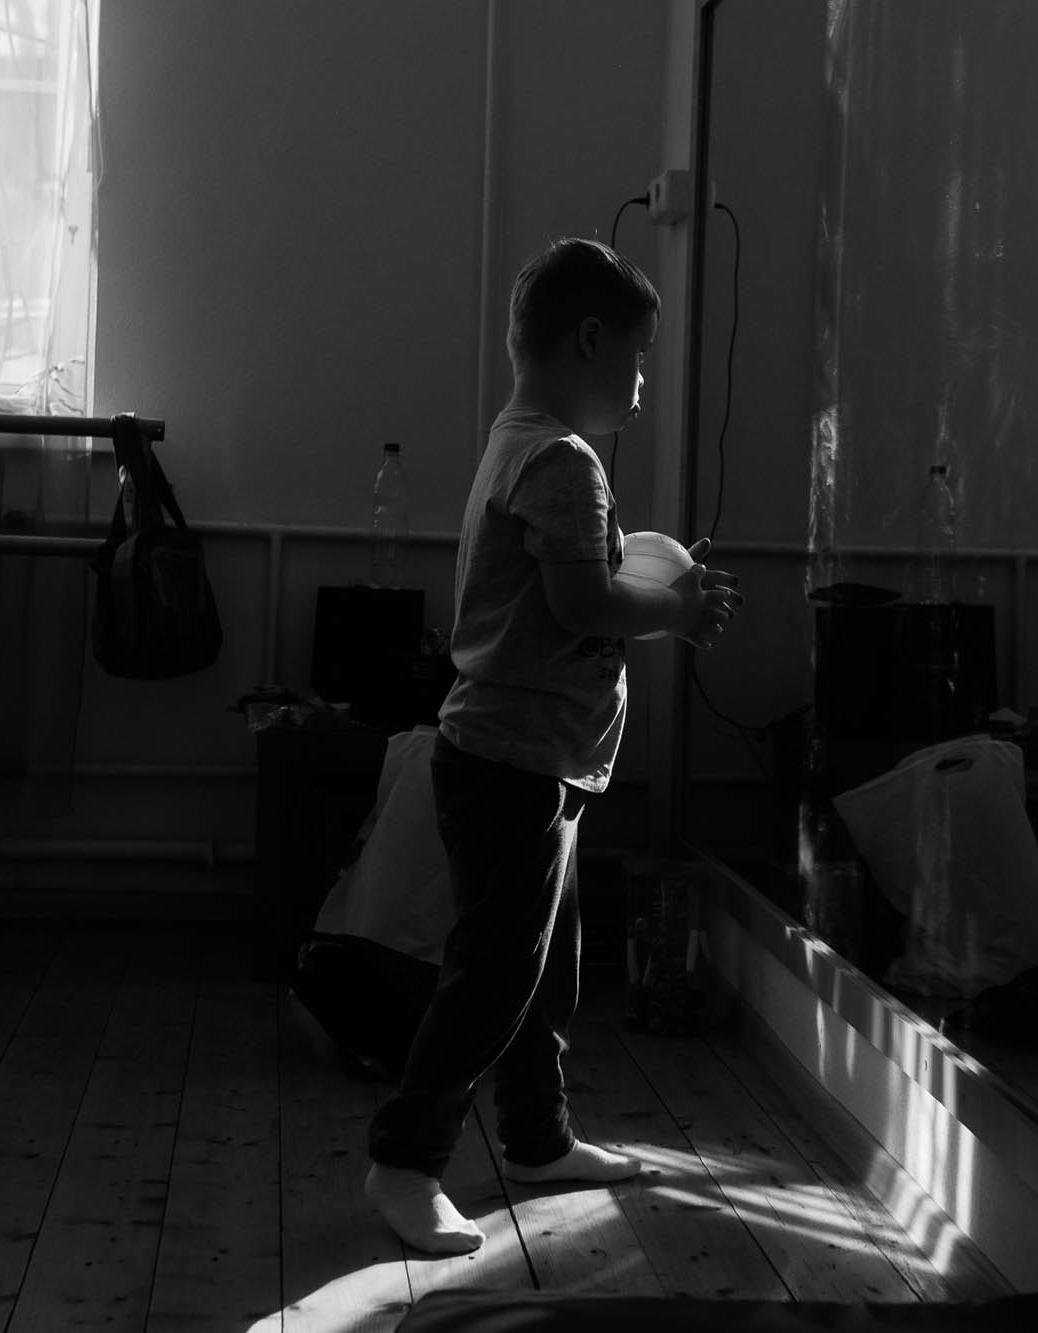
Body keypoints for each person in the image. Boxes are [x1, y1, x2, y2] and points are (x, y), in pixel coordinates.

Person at [364, 238, 744, 1254]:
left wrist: (656, 581)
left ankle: (537, 1137)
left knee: (543, 971)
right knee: (495, 974)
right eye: (637, 354)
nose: (643, 380)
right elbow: (583, 605)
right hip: (515, 763)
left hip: (536, 759)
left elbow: (573, 583)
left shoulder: (517, 440)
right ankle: (405, 1160)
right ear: (587, 341)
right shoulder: (565, 461)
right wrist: (675, 611)